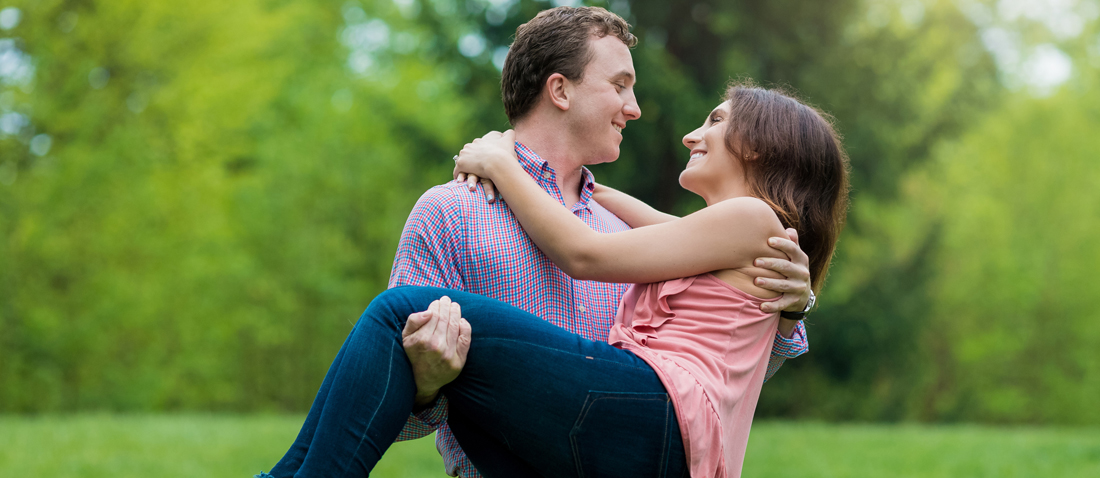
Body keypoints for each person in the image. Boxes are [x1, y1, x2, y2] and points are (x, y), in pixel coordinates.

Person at [265, 6, 815, 478]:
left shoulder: (631, 239)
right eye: (620, 86)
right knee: (399, 320)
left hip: (633, 445)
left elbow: (713, 375)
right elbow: (387, 406)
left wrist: (792, 310)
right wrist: (427, 386)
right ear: (560, 89)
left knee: (394, 313)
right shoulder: (453, 212)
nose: (636, 109)